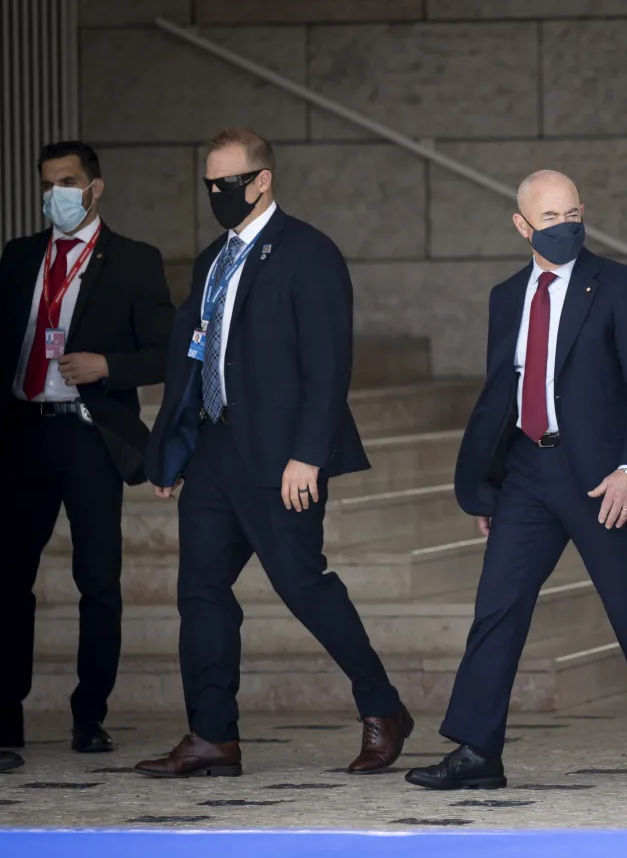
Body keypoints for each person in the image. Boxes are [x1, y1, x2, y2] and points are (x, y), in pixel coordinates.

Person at [405, 170, 627, 793]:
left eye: (573, 213)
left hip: (602, 478)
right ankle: (477, 751)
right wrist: (489, 484)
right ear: (521, 226)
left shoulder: (621, 285)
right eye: (550, 218)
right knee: (497, 607)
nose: (566, 225)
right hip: (527, 474)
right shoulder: (506, 295)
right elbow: (501, 396)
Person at [138, 129, 411, 778]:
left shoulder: (308, 253)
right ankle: (212, 737)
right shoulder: (211, 261)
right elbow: (191, 355)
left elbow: (327, 363)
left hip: (281, 457)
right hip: (213, 450)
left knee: (302, 586)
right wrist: (172, 451)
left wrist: (308, 455)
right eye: (208, 183)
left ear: (261, 181)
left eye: (226, 183)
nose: (215, 194)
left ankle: (383, 708)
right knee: (200, 592)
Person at [0, 141, 173, 755]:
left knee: (97, 580)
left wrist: (108, 365)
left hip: (90, 434)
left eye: (68, 182)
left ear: (95, 188)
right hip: (23, 433)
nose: (56, 196)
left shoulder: (134, 261)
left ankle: (89, 715)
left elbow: (165, 353)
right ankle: (5, 716)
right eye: (48, 185)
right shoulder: (19, 257)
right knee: (9, 577)